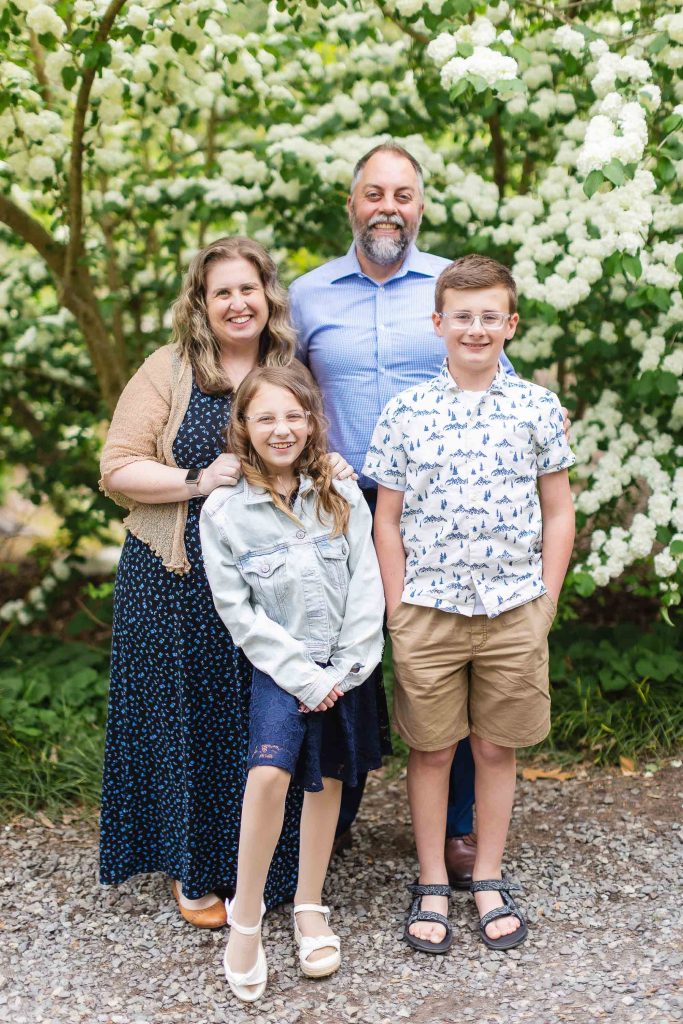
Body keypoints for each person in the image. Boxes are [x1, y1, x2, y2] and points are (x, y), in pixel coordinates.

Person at [98, 237, 351, 929]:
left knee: (260, 727)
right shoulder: (170, 370)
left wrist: (334, 474)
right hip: (176, 582)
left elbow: (309, 449)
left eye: (249, 288)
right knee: (190, 723)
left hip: (273, 592)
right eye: (222, 293)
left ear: (268, 296)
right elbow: (116, 465)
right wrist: (196, 481)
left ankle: (269, 868)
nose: (238, 303)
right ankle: (193, 868)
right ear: (201, 306)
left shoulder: (288, 369)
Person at [289, 141, 515, 886]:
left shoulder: (452, 290)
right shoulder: (308, 295)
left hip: (445, 521)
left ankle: (456, 832)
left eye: (403, 195)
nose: (389, 207)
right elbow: (276, 395)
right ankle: (332, 815)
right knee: (334, 659)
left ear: (420, 206)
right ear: (351, 204)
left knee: (445, 659)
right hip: (336, 513)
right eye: (374, 193)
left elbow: (497, 382)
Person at [365, 254, 576, 953]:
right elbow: (385, 520)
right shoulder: (403, 413)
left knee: (493, 745)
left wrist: (543, 599)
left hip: (514, 607)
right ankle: (430, 879)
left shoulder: (536, 408)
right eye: (462, 316)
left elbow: (557, 512)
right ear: (437, 324)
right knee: (430, 750)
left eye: (490, 316)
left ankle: (485, 873)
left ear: (510, 324)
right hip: (427, 610)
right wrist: (397, 610)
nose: (476, 328)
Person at [199, 364, 388, 1002]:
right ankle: (245, 918)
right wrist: (305, 675)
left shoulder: (339, 490)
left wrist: (349, 665)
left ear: (311, 422)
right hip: (280, 664)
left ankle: (310, 905)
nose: (281, 430)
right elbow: (238, 611)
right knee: (271, 775)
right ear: (244, 427)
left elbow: (367, 581)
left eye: (293, 416)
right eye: (265, 418)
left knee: (329, 775)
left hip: (345, 660)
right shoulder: (226, 511)